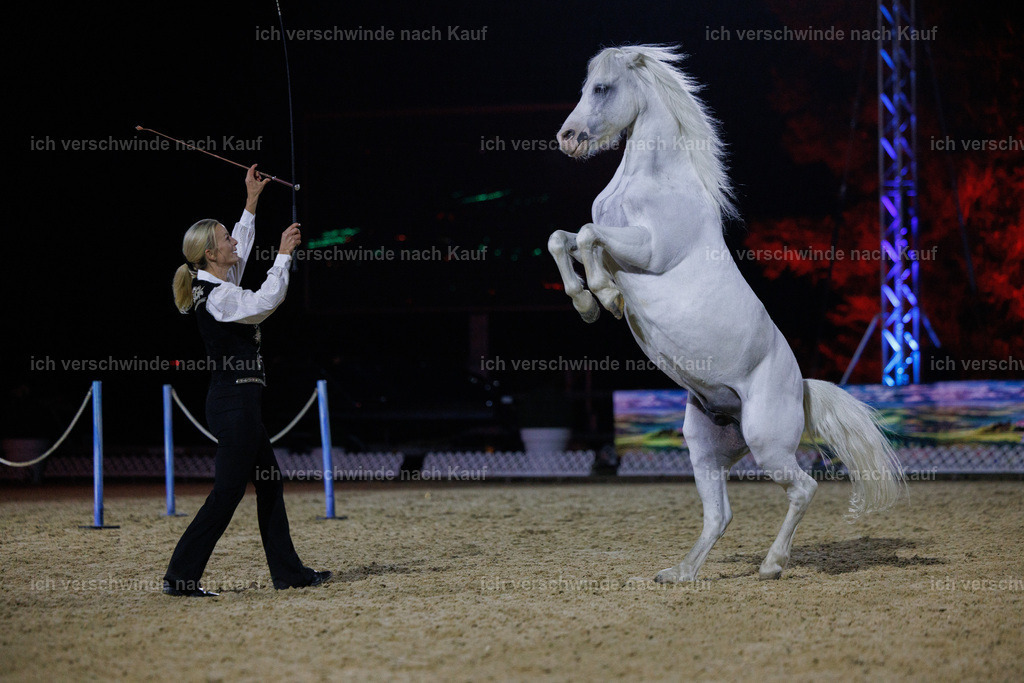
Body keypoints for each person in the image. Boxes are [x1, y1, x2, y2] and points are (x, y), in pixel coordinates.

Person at [164, 164, 330, 596]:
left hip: (241, 404)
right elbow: (263, 302)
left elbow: (244, 239)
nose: (234, 241)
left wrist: (252, 199)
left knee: (269, 485)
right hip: (233, 405)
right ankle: (180, 578)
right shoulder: (219, 295)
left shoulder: (217, 278)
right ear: (211, 254)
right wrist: (284, 255)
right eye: (225, 239)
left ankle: (289, 574)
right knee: (227, 494)